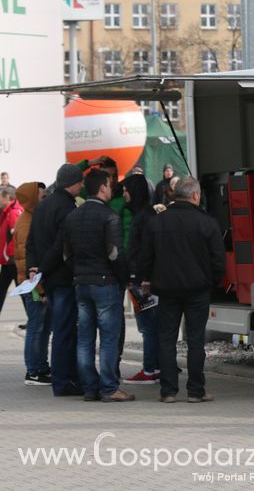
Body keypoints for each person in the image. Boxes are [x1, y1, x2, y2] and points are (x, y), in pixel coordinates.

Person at [140, 177, 225, 403]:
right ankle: (196, 391)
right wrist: (213, 282)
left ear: (174, 195)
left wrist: (147, 279)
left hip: (166, 290)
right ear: (196, 195)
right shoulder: (207, 223)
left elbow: (145, 257)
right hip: (198, 290)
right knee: (196, 340)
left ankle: (168, 391)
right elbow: (219, 260)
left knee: (166, 339)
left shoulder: (157, 223)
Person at [63, 169, 134, 402]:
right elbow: (114, 254)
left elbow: (66, 255)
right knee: (108, 338)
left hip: (81, 283)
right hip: (106, 283)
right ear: (102, 188)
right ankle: (109, 388)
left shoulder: (72, 216)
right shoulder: (109, 216)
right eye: (110, 184)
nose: (112, 188)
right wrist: (124, 278)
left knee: (84, 338)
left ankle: (90, 388)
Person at [26, 163, 83, 397]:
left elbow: (31, 241)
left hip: (47, 278)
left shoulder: (43, 205)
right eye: (79, 182)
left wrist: (33, 269)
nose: (81, 185)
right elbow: (62, 246)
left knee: (57, 329)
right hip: (61, 277)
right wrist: (43, 270)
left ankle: (64, 378)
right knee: (64, 331)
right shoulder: (67, 208)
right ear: (73, 183)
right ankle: (64, 380)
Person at [120, 174, 160, 385]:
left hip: (141, 281)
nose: (123, 193)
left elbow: (143, 250)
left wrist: (139, 277)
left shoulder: (141, 217)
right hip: (144, 278)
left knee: (147, 327)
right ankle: (156, 366)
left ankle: (150, 369)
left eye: (126, 190)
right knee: (153, 324)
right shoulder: (148, 214)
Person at [14, 182, 51, 385]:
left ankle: (40, 366)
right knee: (36, 327)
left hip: (32, 283)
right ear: (32, 198)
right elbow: (28, 259)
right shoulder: (28, 222)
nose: (45, 199)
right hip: (32, 284)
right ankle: (33, 370)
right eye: (42, 196)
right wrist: (40, 288)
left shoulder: (31, 218)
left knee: (41, 327)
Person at [0, 186, 23, 313]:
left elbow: (17, 237)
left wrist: (10, 255)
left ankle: (34, 319)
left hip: (12, 260)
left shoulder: (13, 212)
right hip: (8, 260)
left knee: (23, 291)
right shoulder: (7, 211)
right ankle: (33, 319)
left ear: (7, 197)